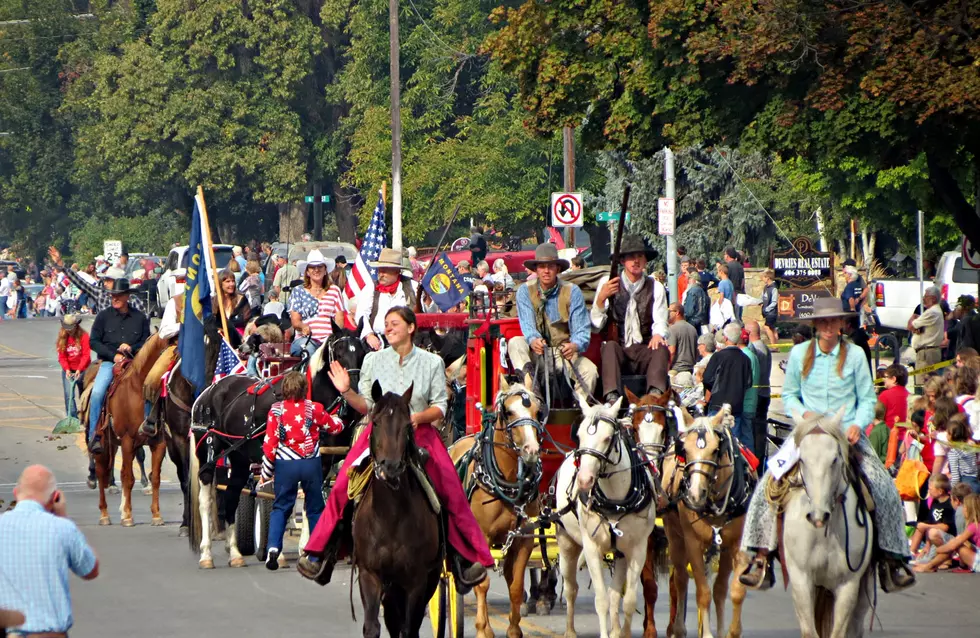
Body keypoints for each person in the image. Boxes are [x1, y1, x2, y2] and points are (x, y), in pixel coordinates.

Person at [297, 307, 493, 588]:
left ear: (411, 328)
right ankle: (320, 553)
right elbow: (366, 406)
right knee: (342, 484)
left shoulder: (431, 363)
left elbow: (440, 405)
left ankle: (463, 558)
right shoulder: (373, 361)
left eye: (394, 324)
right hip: (378, 435)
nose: (387, 329)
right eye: (386, 325)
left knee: (450, 485)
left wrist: (417, 417)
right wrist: (346, 391)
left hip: (419, 432)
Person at [739, 296, 915, 592]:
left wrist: (858, 426)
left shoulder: (857, 355)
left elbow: (867, 398)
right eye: (823, 321)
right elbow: (791, 394)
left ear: (842, 324)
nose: (828, 326)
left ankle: (892, 560)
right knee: (767, 485)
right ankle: (760, 556)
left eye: (833, 321)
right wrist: (803, 416)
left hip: (846, 435)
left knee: (883, 486)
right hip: (808, 434)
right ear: (816, 325)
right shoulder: (799, 354)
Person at [0, 465, 99, 635]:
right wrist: (64, 517)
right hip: (49, 633)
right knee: (94, 437)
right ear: (55, 497)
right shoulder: (63, 528)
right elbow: (90, 569)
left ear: (16, 493)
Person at [260, 371, 343, 570]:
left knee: (280, 508)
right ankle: (314, 554)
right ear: (305, 389)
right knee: (315, 508)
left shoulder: (276, 411)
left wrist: (265, 473)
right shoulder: (314, 408)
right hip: (310, 464)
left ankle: (273, 548)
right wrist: (339, 420)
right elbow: (334, 428)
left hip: (286, 465)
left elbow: (270, 445)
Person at [509, 243, 597, 401]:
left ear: (558, 268)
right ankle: (534, 395)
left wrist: (575, 345)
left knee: (590, 371)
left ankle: (577, 412)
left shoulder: (572, 291)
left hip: (562, 353)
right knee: (515, 343)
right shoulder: (524, 291)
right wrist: (533, 339)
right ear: (536, 269)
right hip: (536, 353)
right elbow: (527, 324)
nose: (546, 271)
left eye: (550, 266)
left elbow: (581, 329)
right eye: (542, 266)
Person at [591, 235, 669, 403]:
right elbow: (596, 324)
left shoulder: (656, 287)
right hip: (620, 349)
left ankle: (654, 395)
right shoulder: (608, 283)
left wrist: (658, 335)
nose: (636, 261)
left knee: (661, 348)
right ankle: (612, 397)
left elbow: (660, 319)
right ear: (622, 261)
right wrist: (601, 299)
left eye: (640, 256)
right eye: (631, 257)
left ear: (645, 261)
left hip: (644, 349)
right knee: (609, 347)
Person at [87, 279, 150, 454]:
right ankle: (95, 435)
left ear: (127, 297)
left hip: (134, 363)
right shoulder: (103, 316)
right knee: (98, 392)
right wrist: (113, 355)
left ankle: (151, 426)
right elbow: (94, 341)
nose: (114, 298)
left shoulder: (140, 317)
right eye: (112, 295)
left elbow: (146, 340)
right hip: (110, 362)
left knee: (152, 386)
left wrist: (132, 348)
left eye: (118, 296)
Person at [700, 323, 754, 448]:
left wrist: (709, 395)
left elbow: (707, 379)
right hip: (736, 408)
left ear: (725, 338)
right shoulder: (745, 359)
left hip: (717, 406)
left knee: (713, 443)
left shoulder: (718, 356)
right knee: (733, 445)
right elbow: (748, 383)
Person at [48, 247, 146, 314]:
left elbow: (144, 323)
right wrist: (61, 264)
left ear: (118, 282)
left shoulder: (133, 300)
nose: (105, 283)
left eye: (108, 280)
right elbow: (81, 282)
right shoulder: (101, 294)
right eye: (105, 280)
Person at [140, 291, 185, 437]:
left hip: (204, 345)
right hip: (177, 347)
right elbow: (164, 332)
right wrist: (183, 326)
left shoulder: (209, 300)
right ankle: (150, 419)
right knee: (152, 379)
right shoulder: (176, 302)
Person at [355, 248, 418, 351]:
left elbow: (427, 311)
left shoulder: (413, 288)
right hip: (377, 345)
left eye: (385, 270)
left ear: (397, 271)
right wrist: (369, 335)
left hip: (408, 344)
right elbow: (361, 315)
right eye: (380, 270)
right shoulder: (371, 288)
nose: (381, 274)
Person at [289, 250, 345, 357]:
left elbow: (339, 321)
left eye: (320, 266)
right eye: (312, 267)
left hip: (329, 341)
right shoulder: (298, 291)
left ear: (325, 270)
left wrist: (334, 338)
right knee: (310, 350)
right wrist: (303, 326)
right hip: (305, 339)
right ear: (307, 272)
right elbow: (295, 321)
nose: (316, 270)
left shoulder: (335, 291)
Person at [914, 493, 980, 573]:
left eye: (964, 507)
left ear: (968, 509)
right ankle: (930, 565)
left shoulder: (973, 527)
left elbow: (953, 546)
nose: (962, 510)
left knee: (956, 544)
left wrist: (938, 550)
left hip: (978, 562)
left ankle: (929, 566)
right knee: (959, 541)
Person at [746, 320, 773, 461]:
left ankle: (757, 458)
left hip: (758, 394)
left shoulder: (754, 350)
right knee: (760, 429)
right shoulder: (764, 347)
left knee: (756, 430)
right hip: (765, 392)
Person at [56, 314, 90, 421]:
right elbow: (62, 356)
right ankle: (72, 418)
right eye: (67, 329)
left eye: (71, 328)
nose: (69, 331)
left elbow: (86, 355)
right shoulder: (63, 337)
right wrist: (66, 369)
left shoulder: (83, 336)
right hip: (69, 370)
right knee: (68, 394)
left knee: (84, 393)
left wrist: (79, 369)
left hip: (82, 369)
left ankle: (85, 415)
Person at [910, 286, 945, 385]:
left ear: (933, 298)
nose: (923, 298)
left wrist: (914, 315)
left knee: (923, 384)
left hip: (927, 353)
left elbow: (910, 325)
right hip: (928, 352)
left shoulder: (932, 312)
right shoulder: (935, 311)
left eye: (926, 296)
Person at [946, 414, 980, 491]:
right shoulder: (970, 448)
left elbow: (956, 477)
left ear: (952, 435)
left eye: (948, 433)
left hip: (964, 486)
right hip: (975, 483)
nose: (946, 435)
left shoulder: (953, 452)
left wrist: (951, 489)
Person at [215, 269, 252, 333]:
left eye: (233, 281)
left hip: (238, 337)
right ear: (220, 283)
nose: (231, 284)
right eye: (228, 281)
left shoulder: (241, 299)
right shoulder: (214, 301)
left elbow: (248, 321)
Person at [878, 364, 910, 435]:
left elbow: (878, 417)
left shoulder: (885, 395)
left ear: (893, 379)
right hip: (906, 437)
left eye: (885, 377)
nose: (883, 379)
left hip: (889, 436)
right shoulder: (909, 395)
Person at [668, 303, 699, 375]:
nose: (668, 314)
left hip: (676, 369)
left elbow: (671, 351)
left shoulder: (673, 329)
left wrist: (667, 367)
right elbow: (696, 351)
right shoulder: (692, 329)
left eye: (670, 311)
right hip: (690, 369)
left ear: (677, 312)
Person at [682, 269, 709, 334]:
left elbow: (689, 311)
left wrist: (684, 317)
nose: (688, 281)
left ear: (693, 280)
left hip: (692, 322)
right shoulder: (703, 291)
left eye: (689, 279)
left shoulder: (692, 291)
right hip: (702, 321)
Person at [724, 247, 745, 319]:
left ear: (727, 255)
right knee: (738, 316)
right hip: (739, 294)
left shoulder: (728, 267)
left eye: (725, 254)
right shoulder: (740, 266)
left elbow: (725, 281)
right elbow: (742, 282)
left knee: (731, 317)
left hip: (731, 295)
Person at [760, 268, 779, 344]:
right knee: (772, 328)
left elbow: (774, 302)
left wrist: (767, 309)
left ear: (768, 278)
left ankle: (773, 344)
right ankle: (776, 346)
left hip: (771, 313)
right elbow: (762, 298)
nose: (763, 279)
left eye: (764, 277)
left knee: (766, 327)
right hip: (767, 312)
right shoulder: (765, 288)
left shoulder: (774, 288)